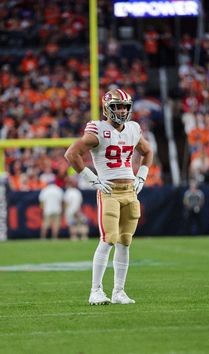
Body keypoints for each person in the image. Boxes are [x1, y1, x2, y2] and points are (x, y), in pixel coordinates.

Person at [64, 88, 153, 305]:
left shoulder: (133, 129)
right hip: (109, 192)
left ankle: (119, 292)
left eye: (124, 106)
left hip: (131, 191)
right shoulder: (98, 129)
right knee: (108, 240)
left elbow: (147, 151)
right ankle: (95, 291)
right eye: (116, 106)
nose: (121, 110)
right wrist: (91, 178)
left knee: (125, 241)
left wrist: (141, 175)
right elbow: (71, 153)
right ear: (107, 108)